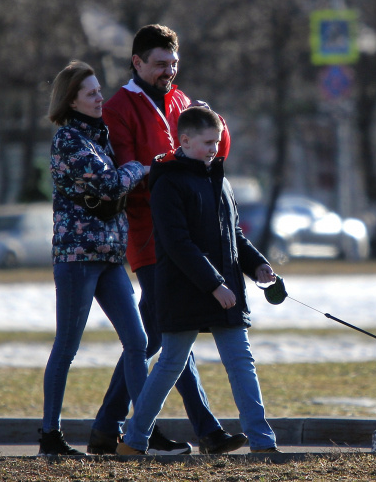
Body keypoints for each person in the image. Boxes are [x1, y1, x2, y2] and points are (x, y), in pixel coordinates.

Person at [89, 23, 244, 455]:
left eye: (173, 63)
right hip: (150, 236)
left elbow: (214, 153)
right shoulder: (119, 108)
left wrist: (216, 122)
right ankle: (195, 429)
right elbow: (129, 172)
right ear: (137, 62)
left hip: (187, 237)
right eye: (160, 64)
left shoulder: (181, 101)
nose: (169, 71)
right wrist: (172, 166)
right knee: (163, 334)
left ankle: (109, 428)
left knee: (164, 334)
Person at [116, 106, 280, 455]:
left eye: (217, 142)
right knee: (170, 364)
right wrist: (214, 284)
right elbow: (177, 243)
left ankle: (263, 443)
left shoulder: (219, 179)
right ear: (185, 140)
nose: (214, 149)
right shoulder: (168, 182)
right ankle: (134, 440)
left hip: (225, 291)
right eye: (208, 143)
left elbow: (233, 235)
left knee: (241, 361)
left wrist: (258, 266)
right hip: (184, 292)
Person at [40, 60, 149, 456]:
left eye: (100, 90)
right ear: (72, 101)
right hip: (77, 258)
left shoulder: (100, 137)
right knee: (67, 347)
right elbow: (108, 184)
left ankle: (141, 431)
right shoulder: (69, 141)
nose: (100, 97)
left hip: (110, 256)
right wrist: (138, 167)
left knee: (137, 341)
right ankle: (50, 435)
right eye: (91, 93)